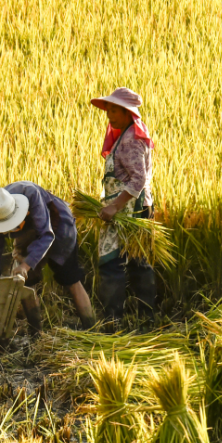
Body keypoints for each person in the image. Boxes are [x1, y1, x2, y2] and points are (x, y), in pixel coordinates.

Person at [0, 183, 96, 332]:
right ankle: (36, 333)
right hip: (27, 230)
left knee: (70, 277)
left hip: (57, 222)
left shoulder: (31, 195)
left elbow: (47, 235)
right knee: (25, 281)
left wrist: (26, 265)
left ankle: (91, 328)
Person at [89, 87, 157, 321]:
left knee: (113, 264)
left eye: (115, 110)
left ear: (128, 113)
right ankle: (141, 319)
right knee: (138, 262)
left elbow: (138, 179)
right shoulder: (125, 136)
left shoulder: (130, 140)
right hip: (127, 210)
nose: (110, 114)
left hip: (130, 212)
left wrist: (114, 206)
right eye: (108, 109)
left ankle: (115, 321)